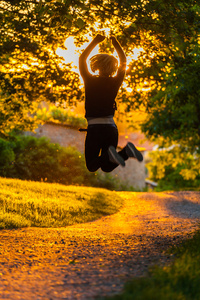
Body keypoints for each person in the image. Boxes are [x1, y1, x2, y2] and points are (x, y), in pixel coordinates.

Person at [79, 34, 143, 173]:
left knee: (91, 166)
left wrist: (95, 41)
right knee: (107, 167)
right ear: (113, 68)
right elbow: (123, 61)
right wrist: (116, 44)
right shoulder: (115, 82)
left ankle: (124, 152)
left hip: (95, 129)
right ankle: (126, 152)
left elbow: (82, 59)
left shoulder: (89, 80)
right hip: (110, 129)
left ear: (96, 65)